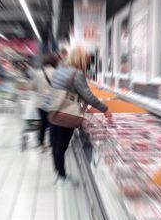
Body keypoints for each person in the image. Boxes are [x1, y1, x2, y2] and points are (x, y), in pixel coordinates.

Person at [50, 47, 112, 184]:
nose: (88, 64)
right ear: (81, 60)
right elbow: (88, 96)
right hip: (66, 114)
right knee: (61, 146)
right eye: (87, 61)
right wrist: (105, 109)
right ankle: (62, 177)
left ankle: (58, 173)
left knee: (55, 145)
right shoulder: (76, 73)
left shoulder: (60, 69)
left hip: (55, 109)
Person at [30, 53, 60, 150]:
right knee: (52, 123)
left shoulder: (39, 73)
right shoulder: (57, 73)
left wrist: (40, 91)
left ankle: (41, 144)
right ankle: (52, 144)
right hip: (53, 102)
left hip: (40, 103)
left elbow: (32, 87)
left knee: (43, 123)